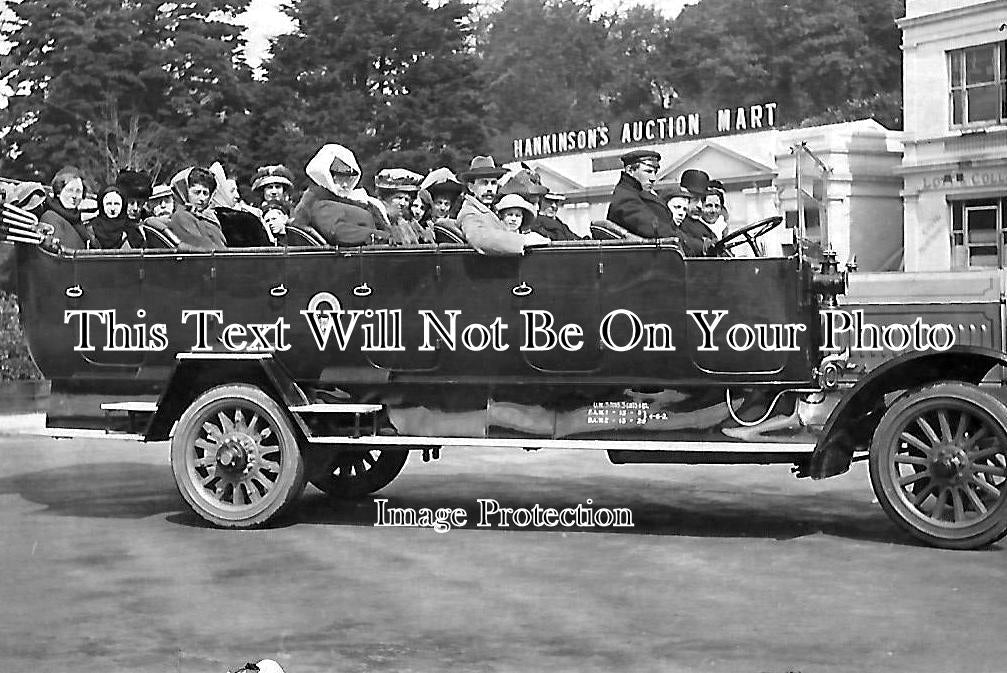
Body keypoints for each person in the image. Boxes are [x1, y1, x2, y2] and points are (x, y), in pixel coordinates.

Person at [290, 143, 388, 246]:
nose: (345, 184)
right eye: (339, 178)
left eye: (348, 178)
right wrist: (376, 236)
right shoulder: (319, 203)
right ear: (327, 176)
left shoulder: (347, 201)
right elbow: (338, 232)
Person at [456, 156, 548, 255]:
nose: (490, 189)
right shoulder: (470, 213)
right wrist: (523, 240)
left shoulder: (490, 210)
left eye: (493, 183)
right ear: (471, 187)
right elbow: (480, 238)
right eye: (484, 183)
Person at [606, 150, 677, 239]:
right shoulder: (625, 198)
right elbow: (653, 229)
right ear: (630, 170)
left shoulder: (635, 193)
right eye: (648, 171)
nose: (653, 178)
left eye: (655, 172)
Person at [168, 166, 227, 250]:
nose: (202, 198)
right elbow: (203, 246)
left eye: (205, 193)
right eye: (197, 192)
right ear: (184, 192)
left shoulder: (209, 218)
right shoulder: (181, 216)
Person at [39, 166, 97, 250]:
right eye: (70, 190)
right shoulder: (50, 218)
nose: (74, 196)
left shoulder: (79, 222)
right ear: (58, 192)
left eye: (78, 191)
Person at [374, 167, 433, 245]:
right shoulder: (374, 221)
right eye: (398, 197)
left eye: (406, 200)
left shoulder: (409, 226)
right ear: (383, 198)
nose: (402, 203)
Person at [678, 169, 719, 254]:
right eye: (694, 198)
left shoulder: (704, 228)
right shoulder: (674, 222)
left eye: (702, 199)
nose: (700, 206)